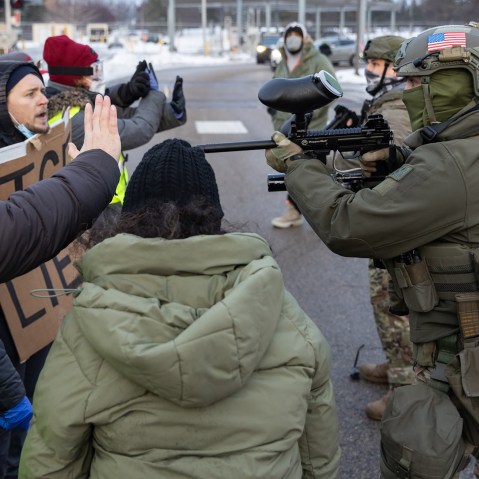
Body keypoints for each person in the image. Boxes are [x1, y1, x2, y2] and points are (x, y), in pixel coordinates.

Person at [19, 138, 340, 479]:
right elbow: (319, 459)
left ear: (128, 221)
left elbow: (51, 461)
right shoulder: (285, 316)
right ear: (215, 218)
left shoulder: (88, 323)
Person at [265, 21, 479, 477]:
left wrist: (299, 166)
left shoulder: (453, 163)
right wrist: (399, 162)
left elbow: (349, 225)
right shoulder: (457, 146)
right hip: (460, 349)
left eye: (421, 82)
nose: (410, 92)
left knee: (413, 449)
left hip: (463, 355)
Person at [0, 92, 121, 478]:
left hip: (37, 329)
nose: (42, 100)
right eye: (30, 93)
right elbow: (21, 225)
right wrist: (93, 171)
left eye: (42, 90)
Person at [349, 35, 415, 422]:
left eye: (376, 65)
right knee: (389, 307)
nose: (369, 71)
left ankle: (406, 390)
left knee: (395, 309)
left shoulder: (396, 112)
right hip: (392, 226)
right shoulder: (388, 105)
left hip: (398, 231)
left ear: (395, 69)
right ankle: (399, 367)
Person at [42, 34, 187, 206]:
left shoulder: (69, 104)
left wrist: (170, 113)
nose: (98, 77)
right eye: (94, 71)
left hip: (102, 203)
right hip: (97, 211)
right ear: (76, 78)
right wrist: (154, 95)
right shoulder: (77, 120)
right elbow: (139, 129)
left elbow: (123, 114)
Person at [268, 22, 336, 229]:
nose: (292, 39)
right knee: (292, 168)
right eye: (289, 35)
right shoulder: (283, 60)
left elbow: (330, 89)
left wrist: (309, 112)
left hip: (310, 127)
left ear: (305, 38)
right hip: (283, 126)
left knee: (306, 169)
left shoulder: (318, 60)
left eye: (297, 35)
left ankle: (314, 212)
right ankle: (305, 211)